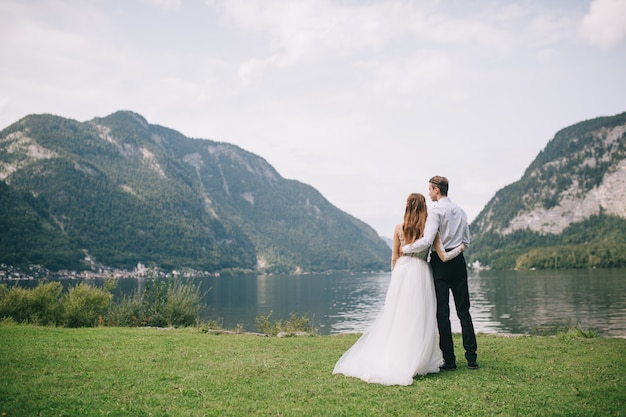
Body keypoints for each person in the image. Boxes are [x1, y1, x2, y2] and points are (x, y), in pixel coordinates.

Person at [333, 193, 464, 386]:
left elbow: (394, 257)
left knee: (398, 315)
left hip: (402, 273)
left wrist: (396, 278)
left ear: (407, 208)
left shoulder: (398, 229)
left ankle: (397, 354)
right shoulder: (430, 231)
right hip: (421, 273)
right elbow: (441, 256)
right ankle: (418, 357)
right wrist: (460, 248)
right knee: (421, 316)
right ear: (424, 208)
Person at [402, 176, 478, 370]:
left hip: (440, 265)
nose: (429, 192)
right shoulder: (461, 211)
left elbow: (428, 241)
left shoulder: (436, 213)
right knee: (464, 311)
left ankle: (450, 361)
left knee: (442, 313)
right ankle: (471, 358)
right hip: (458, 263)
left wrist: (406, 249)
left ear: (437, 190)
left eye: (430, 189)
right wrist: (454, 253)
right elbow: (466, 242)